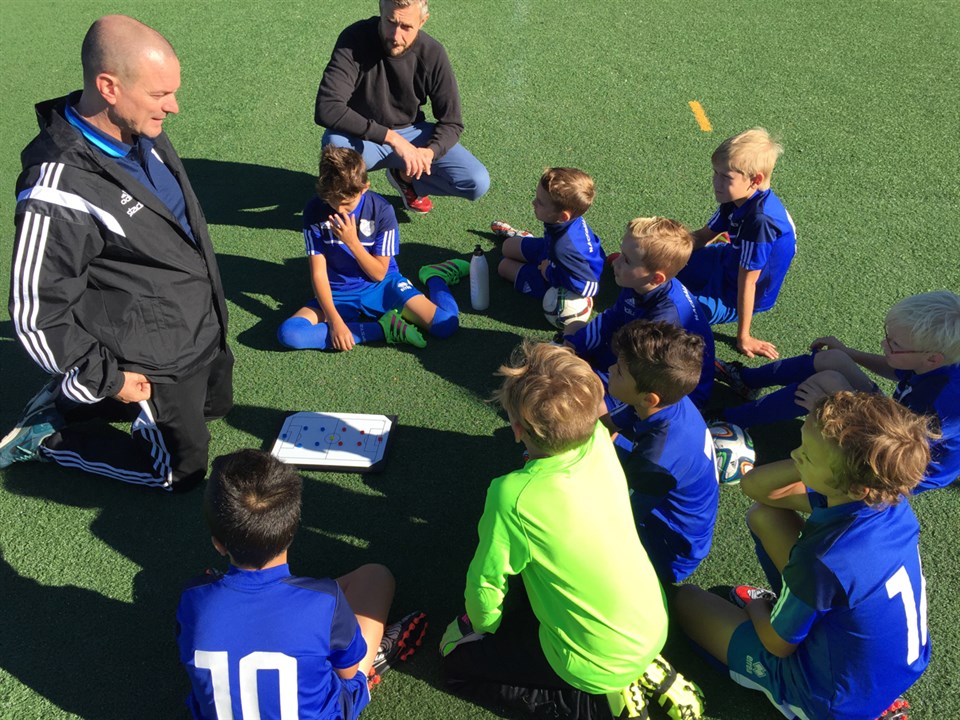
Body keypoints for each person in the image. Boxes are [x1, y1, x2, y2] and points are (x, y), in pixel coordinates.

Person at [0, 15, 232, 491]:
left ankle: (74, 396)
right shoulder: (57, 186)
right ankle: (46, 439)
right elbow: (35, 313)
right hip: (151, 355)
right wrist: (109, 379)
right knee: (178, 474)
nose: (173, 107)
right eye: (160, 94)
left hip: (201, 324)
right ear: (108, 87)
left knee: (216, 407)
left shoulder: (142, 128)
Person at [439, 341, 703, 720]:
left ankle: (599, 702)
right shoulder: (598, 441)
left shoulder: (512, 495)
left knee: (455, 663)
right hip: (651, 626)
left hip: (594, 662)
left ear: (517, 429)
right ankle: (645, 669)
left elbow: (486, 586)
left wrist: (483, 627)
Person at [675, 392, 934, 720]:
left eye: (807, 456)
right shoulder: (888, 503)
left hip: (827, 699)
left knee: (685, 601)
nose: (795, 454)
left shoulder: (826, 556)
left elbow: (777, 645)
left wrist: (757, 605)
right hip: (889, 667)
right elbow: (757, 489)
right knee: (765, 516)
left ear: (856, 487)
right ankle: (802, 619)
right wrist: (816, 457)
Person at [176, 449, 427, 719]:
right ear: (292, 530)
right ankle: (374, 657)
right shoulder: (324, 601)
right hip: (322, 660)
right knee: (376, 577)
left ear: (218, 544)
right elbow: (347, 672)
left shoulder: (194, 598)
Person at [715, 290, 960, 493]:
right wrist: (848, 354)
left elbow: (890, 447)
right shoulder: (938, 360)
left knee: (827, 383)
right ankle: (745, 380)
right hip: (894, 421)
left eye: (894, 344)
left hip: (893, 466)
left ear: (932, 359)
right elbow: (897, 369)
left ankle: (729, 421)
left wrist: (829, 407)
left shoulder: (941, 405)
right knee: (833, 359)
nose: (883, 344)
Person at [276, 146, 468, 352]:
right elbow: (319, 274)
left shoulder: (382, 210)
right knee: (290, 334)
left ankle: (435, 276)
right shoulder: (315, 210)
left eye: (347, 204)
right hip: (338, 293)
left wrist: (352, 242)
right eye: (332, 201)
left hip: (384, 286)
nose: (339, 210)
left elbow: (378, 274)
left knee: (445, 325)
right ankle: (384, 328)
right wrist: (334, 321)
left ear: (364, 188)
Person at [315, 0, 489, 215]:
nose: (396, 36)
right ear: (381, 10)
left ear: (422, 21)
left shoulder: (432, 53)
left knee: (476, 182)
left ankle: (405, 179)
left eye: (406, 27)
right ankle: (342, 209)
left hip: (412, 133)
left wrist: (430, 152)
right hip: (361, 138)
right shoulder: (355, 39)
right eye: (390, 22)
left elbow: (452, 122)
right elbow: (327, 107)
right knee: (336, 147)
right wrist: (392, 139)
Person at [566, 217, 715, 422]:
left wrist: (583, 371)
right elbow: (612, 317)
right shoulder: (639, 283)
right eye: (621, 254)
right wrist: (572, 346)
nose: (616, 262)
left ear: (656, 278)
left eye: (627, 260)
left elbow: (640, 376)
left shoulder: (665, 321)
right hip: (635, 358)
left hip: (666, 390)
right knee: (574, 329)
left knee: (588, 408)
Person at [606, 320, 719, 585]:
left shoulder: (658, 457)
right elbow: (605, 426)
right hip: (661, 502)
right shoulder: (664, 401)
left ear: (650, 398)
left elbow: (619, 518)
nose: (610, 370)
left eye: (619, 371)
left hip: (668, 550)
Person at [677, 127, 796, 360]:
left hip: (733, 293)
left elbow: (748, 282)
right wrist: (656, 253)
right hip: (725, 259)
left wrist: (744, 337)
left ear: (755, 180)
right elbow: (703, 236)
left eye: (726, 177)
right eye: (715, 173)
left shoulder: (761, 221)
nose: (716, 182)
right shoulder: (736, 197)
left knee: (674, 317)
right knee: (661, 264)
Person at [492, 167, 604, 309]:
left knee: (504, 267)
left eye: (540, 202)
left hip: (554, 275)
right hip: (551, 253)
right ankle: (528, 241)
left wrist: (549, 273)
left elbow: (590, 286)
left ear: (563, 216)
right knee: (507, 246)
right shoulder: (568, 221)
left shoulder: (563, 247)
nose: (533, 203)